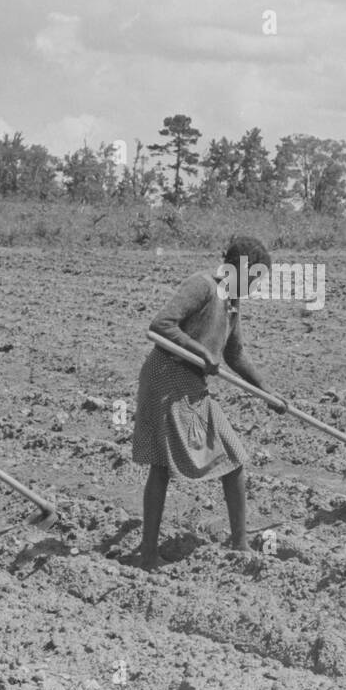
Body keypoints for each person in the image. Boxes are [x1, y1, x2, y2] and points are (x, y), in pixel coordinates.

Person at [132, 237, 287, 570]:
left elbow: (234, 353)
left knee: (233, 457)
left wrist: (266, 390)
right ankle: (147, 554)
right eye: (254, 278)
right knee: (161, 466)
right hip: (167, 376)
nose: (255, 286)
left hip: (192, 383)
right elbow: (161, 325)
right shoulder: (202, 286)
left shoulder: (231, 302)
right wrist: (201, 351)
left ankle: (240, 543)